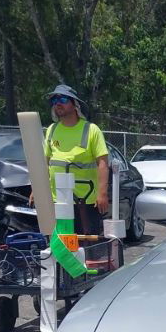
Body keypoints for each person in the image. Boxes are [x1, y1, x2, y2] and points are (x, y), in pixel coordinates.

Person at [43, 84, 109, 235]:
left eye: (63, 99)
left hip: (85, 200)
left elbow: (103, 163)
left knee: (86, 244)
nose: (58, 103)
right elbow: (45, 162)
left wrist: (102, 193)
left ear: (75, 105)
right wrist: (37, 189)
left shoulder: (91, 130)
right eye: (54, 100)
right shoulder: (52, 130)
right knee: (63, 244)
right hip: (59, 199)